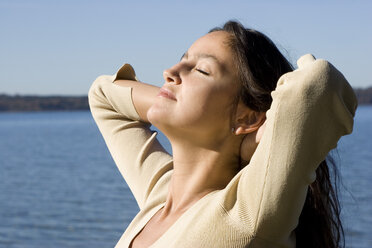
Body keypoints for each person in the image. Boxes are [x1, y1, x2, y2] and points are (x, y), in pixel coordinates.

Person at [88, 21, 357, 248]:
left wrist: (261, 136)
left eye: (201, 70)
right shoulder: (159, 195)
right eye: (183, 61)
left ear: (248, 116)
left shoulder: (244, 217)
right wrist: (167, 101)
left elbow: (318, 85)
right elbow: (103, 95)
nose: (169, 73)